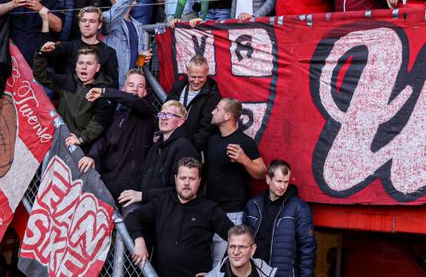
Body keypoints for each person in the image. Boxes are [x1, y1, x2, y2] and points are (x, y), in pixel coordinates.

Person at [128, 157, 234, 277]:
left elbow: (237, 238)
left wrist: (218, 272)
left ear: (199, 181)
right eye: (183, 178)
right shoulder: (163, 201)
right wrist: (139, 241)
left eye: (192, 179)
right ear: (176, 179)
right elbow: (132, 217)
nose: (187, 183)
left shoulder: (210, 209)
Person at [207, 98, 268, 268]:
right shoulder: (212, 140)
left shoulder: (244, 142)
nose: (213, 112)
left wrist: (244, 160)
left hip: (232, 213)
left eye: (217, 109)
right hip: (209, 210)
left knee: (223, 264)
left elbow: (262, 171)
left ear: (227, 115)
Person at [78, 69, 156, 201]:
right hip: (108, 183)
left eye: (140, 86)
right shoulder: (117, 114)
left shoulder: (146, 111)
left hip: (131, 189)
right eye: (131, 85)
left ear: (145, 92)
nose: (135, 89)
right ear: (123, 88)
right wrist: (91, 156)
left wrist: (104, 92)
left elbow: (134, 101)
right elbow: (103, 140)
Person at [119, 99, 200, 211]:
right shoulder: (156, 146)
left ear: (180, 122)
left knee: (131, 215)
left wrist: (143, 195)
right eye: (161, 114)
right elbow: (142, 179)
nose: (163, 118)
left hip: (170, 211)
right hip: (151, 204)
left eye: (169, 115)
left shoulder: (185, 147)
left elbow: (180, 190)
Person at [245, 160, 317, 277]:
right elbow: (241, 242)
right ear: (268, 179)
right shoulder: (253, 205)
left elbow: (307, 249)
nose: (282, 186)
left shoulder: (299, 208)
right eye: (279, 181)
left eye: (286, 182)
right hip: (254, 273)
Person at [33, 43, 112, 150]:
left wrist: (81, 138)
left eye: (89, 63)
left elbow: (100, 120)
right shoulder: (68, 81)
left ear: (97, 67)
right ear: (76, 66)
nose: (84, 67)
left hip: (82, 147)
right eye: (80, 63)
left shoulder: (102, 90)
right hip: (59, 139)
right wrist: (41, 54)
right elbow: (41, 75)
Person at [165, 54, 221, 151]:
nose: (196, 81)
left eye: (200, 77)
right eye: (193, 76)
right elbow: (165, 112)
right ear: (187, 72)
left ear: (207, 72)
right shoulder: (177, 88)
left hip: (191, 147)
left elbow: (207, 129)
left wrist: (189, 147)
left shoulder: (212, 96)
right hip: (169, 142)